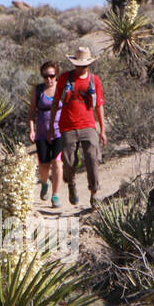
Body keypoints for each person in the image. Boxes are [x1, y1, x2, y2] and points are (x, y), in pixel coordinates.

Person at [48, 45, 107, 208]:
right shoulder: (65, 79)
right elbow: (55, 103)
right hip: (67, 126)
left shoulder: (94, 81)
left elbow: (99, 105)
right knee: (68, 162)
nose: (81, 68)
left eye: (84, 65)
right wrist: (52, 127)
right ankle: (71, 182)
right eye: (78, 65)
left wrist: (102, 130)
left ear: (88, 65)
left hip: (88, 126)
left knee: (92, 158)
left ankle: (94, 194)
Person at [28, 61, 63, 208]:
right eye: (45, 76)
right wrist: (32, 129)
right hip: (42, 133)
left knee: (56, 162)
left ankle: (55, 195)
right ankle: (44, 182)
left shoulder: (61, 89)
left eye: (52, 76)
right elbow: (31, 111)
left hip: (59, 132)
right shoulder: (38, 90)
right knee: (43, 165)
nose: (49, 79)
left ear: (56, 76)